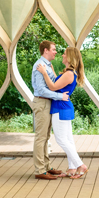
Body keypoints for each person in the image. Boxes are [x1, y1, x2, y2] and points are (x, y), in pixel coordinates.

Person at [35, 46, 88, 179]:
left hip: (61, 108)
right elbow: (57, 84)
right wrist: (52, 71)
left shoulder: (69, 74)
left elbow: (53, 87)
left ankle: (80, 165)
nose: (62, 55)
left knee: (61, 139)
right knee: (68, 139)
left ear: (70, 57)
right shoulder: (69, 73)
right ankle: (72, 168)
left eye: (64, 54)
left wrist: (44, 72)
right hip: (63, 107)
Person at [31, 40, 69, 181]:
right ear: (45, 50)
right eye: (53, 49)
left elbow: (52, 84)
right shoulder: (39, 66)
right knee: (41, 137)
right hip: (42, 102)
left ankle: (46, 167)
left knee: (45, 137)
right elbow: (41, 89)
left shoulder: (48, 66)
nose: (55, 52)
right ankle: (40, 170)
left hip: (47, 103)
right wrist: (60, 96)